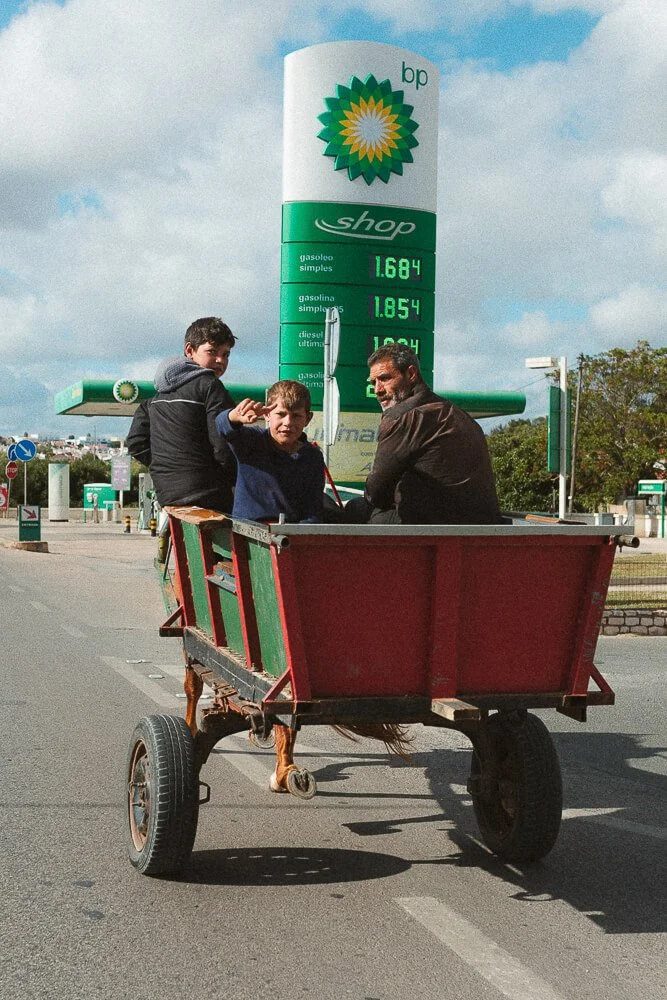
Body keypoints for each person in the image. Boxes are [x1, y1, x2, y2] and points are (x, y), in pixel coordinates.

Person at [347, 343, 503, 525]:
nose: (378, 390)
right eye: (373, 382)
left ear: (411, 374)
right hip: (483, 528)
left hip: (432, 528)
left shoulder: (403, 417)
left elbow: (375, 493)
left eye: (385, 378)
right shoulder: (460, 415)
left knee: (356, 508)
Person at [127, 317, 237, 513]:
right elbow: (223, 444)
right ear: (189, 350)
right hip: (209, 493)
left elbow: (135, 441)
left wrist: (168, 466)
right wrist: (234, 479)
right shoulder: (210, 386)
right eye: (212, 352)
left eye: (226, 354)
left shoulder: (157, 396)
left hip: (167, 494)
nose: (220, 360)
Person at [215, 380, 324, 523]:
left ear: (308, 419)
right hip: (249, 535)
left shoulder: (312, 456)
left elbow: (313, 508)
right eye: (280, 414)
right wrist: (234, 416)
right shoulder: (251, 441)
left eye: (296, 416)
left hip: (290, 536)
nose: (288, 423)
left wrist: (302, 535)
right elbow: (222, 425)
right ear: (267, 415)